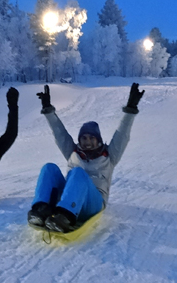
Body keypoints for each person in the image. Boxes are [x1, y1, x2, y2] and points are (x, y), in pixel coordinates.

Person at [28, 83, 144, 232]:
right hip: (69, 199)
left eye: (91, 138)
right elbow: (59, 133)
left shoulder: (109, 156)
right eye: (84, 138)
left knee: (78, 173)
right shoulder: (73, 151)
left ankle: (65, 218)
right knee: (49, 168)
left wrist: (130, 110)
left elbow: (122, 135)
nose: (87, 142)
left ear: (98, 140)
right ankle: (40, 210)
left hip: (93, 203)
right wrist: (48, 111)